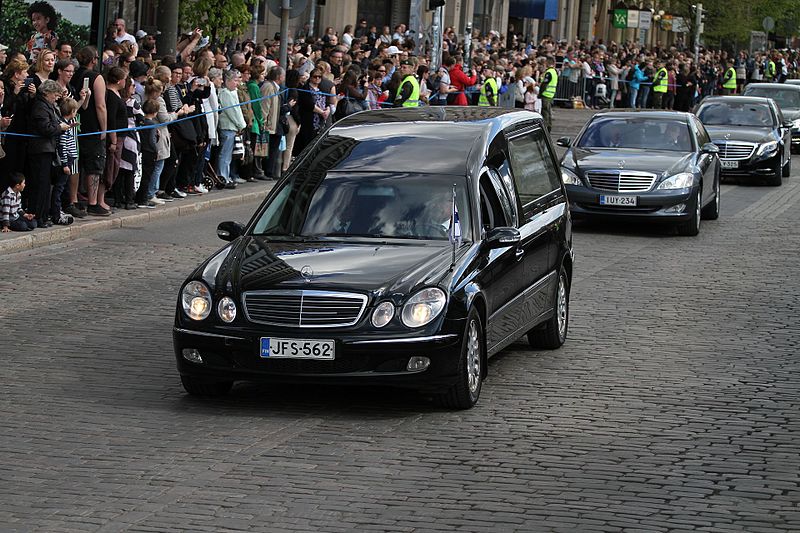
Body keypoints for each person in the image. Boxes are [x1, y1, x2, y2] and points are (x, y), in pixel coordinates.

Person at [25, 80, 73, 227]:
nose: (56, 97)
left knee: (45, 185)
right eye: (54, 94)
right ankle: (39, 217)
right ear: (46, 93)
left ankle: (42, 215)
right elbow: (46, 128)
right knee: (40, 185)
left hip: (47, 149)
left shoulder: (48, 106)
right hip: (40, 150)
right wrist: (60, 128)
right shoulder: (40, 107)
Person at [73, 46, 110, 216]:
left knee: (76, 163)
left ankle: (73, 198)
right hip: (92, 127)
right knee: (94, 165)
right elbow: (100, 106)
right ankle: (93, 201)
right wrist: (104, 129)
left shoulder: (73, 75)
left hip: (75, 125)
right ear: (93, 59)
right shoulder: (97, 78)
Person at [217, 69, 247, 186]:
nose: (237, 83)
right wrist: (241, 125)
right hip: (227, 127)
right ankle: (223, 177)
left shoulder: (231, 92)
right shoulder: (225, 93)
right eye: (235, 80)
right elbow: (232, 112)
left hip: (232, 128)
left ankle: (226, 176)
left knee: (228, 155)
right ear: (227, 81)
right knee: (225, 155)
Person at [53, 96, 79, 224]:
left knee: (63, 186)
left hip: (69, 159)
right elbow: (62, 146)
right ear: (72, 111)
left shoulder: (67, 125)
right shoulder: (63, 128)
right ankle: (56, 212)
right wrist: (65, 164)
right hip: (66, 160)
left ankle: (59, 209)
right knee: (60, 187)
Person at [261, 66, 285, 179]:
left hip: (276, 123)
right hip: (269, 124)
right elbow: (265, 106)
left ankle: (271, 171)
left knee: (274, 149)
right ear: (279, 76)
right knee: (269, 150)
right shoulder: (268, 87)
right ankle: (268, 171)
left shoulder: (276, 87)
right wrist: (264, 122)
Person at [540, 57, 558, 132]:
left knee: (545, 112)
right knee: (548, 112)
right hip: (551, 94)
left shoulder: (549, 72)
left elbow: (544, 84)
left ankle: (546, 128)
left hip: (546, 94)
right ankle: (549, 126)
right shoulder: (554, 72)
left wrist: (540, 93)